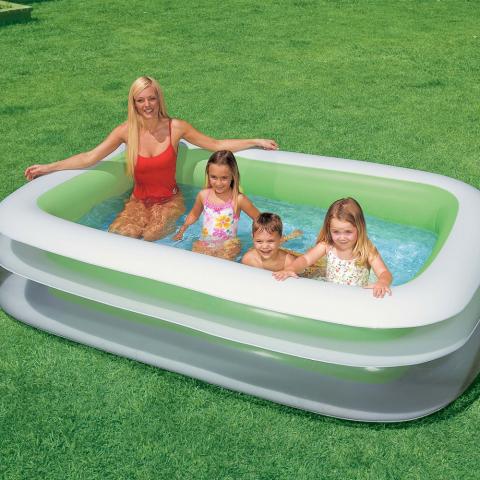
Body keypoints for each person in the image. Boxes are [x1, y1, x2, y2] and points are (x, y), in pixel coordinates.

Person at [24, 76, 278, 241]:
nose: (147, 105)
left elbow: (216, 145)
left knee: (149, 239)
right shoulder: (125, 132)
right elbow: (90, 157)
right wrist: (48, 167)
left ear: (159, 99)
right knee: (119, 237)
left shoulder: (176, 128)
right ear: (133, 104)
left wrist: (255, 140)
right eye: (140, 100)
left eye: (151, 98)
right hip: (137, 202)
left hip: (169, 201)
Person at [273, 197, 392, 298]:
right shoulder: (327, 246)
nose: (342, 238)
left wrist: (382, 282)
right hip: (331, 295)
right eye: (336, 232)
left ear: (359, 228)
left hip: (356, 298)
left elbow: (384, 272)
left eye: (348, 232)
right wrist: (291, 268)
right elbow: (305, 259)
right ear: (329, 229)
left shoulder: (366, 249)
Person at [173, 150, 258, 260]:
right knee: (195, 258)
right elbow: (194, 214)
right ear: (208, 175)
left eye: (224, 178)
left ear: (233, 176)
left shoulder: (238, 199)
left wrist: (258, 238)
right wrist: (182, 229)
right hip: (205, 242)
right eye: (214, 177)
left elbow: (259, 219)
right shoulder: (203, 195)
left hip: (228, 245)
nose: (218, 183)